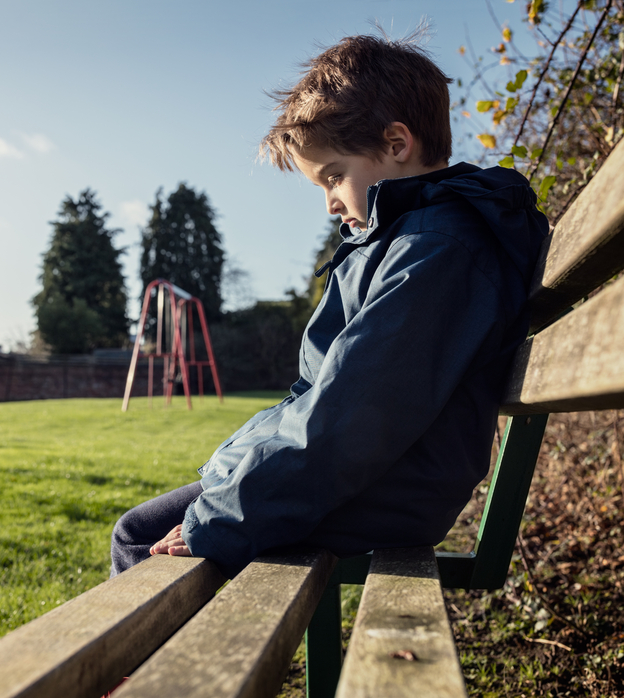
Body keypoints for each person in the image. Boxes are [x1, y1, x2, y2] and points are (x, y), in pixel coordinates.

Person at [110, 33, 550, 580]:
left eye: (335, 175)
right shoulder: (404, 241)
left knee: (139, 539)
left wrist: (220, 520)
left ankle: (165, 671)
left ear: (396, 143)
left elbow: (355, 413)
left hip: (385, 486)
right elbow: (327, 396)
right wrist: (235, 471)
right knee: (147, 528)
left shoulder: (437, 251)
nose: (329, 203)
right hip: (371, 476)